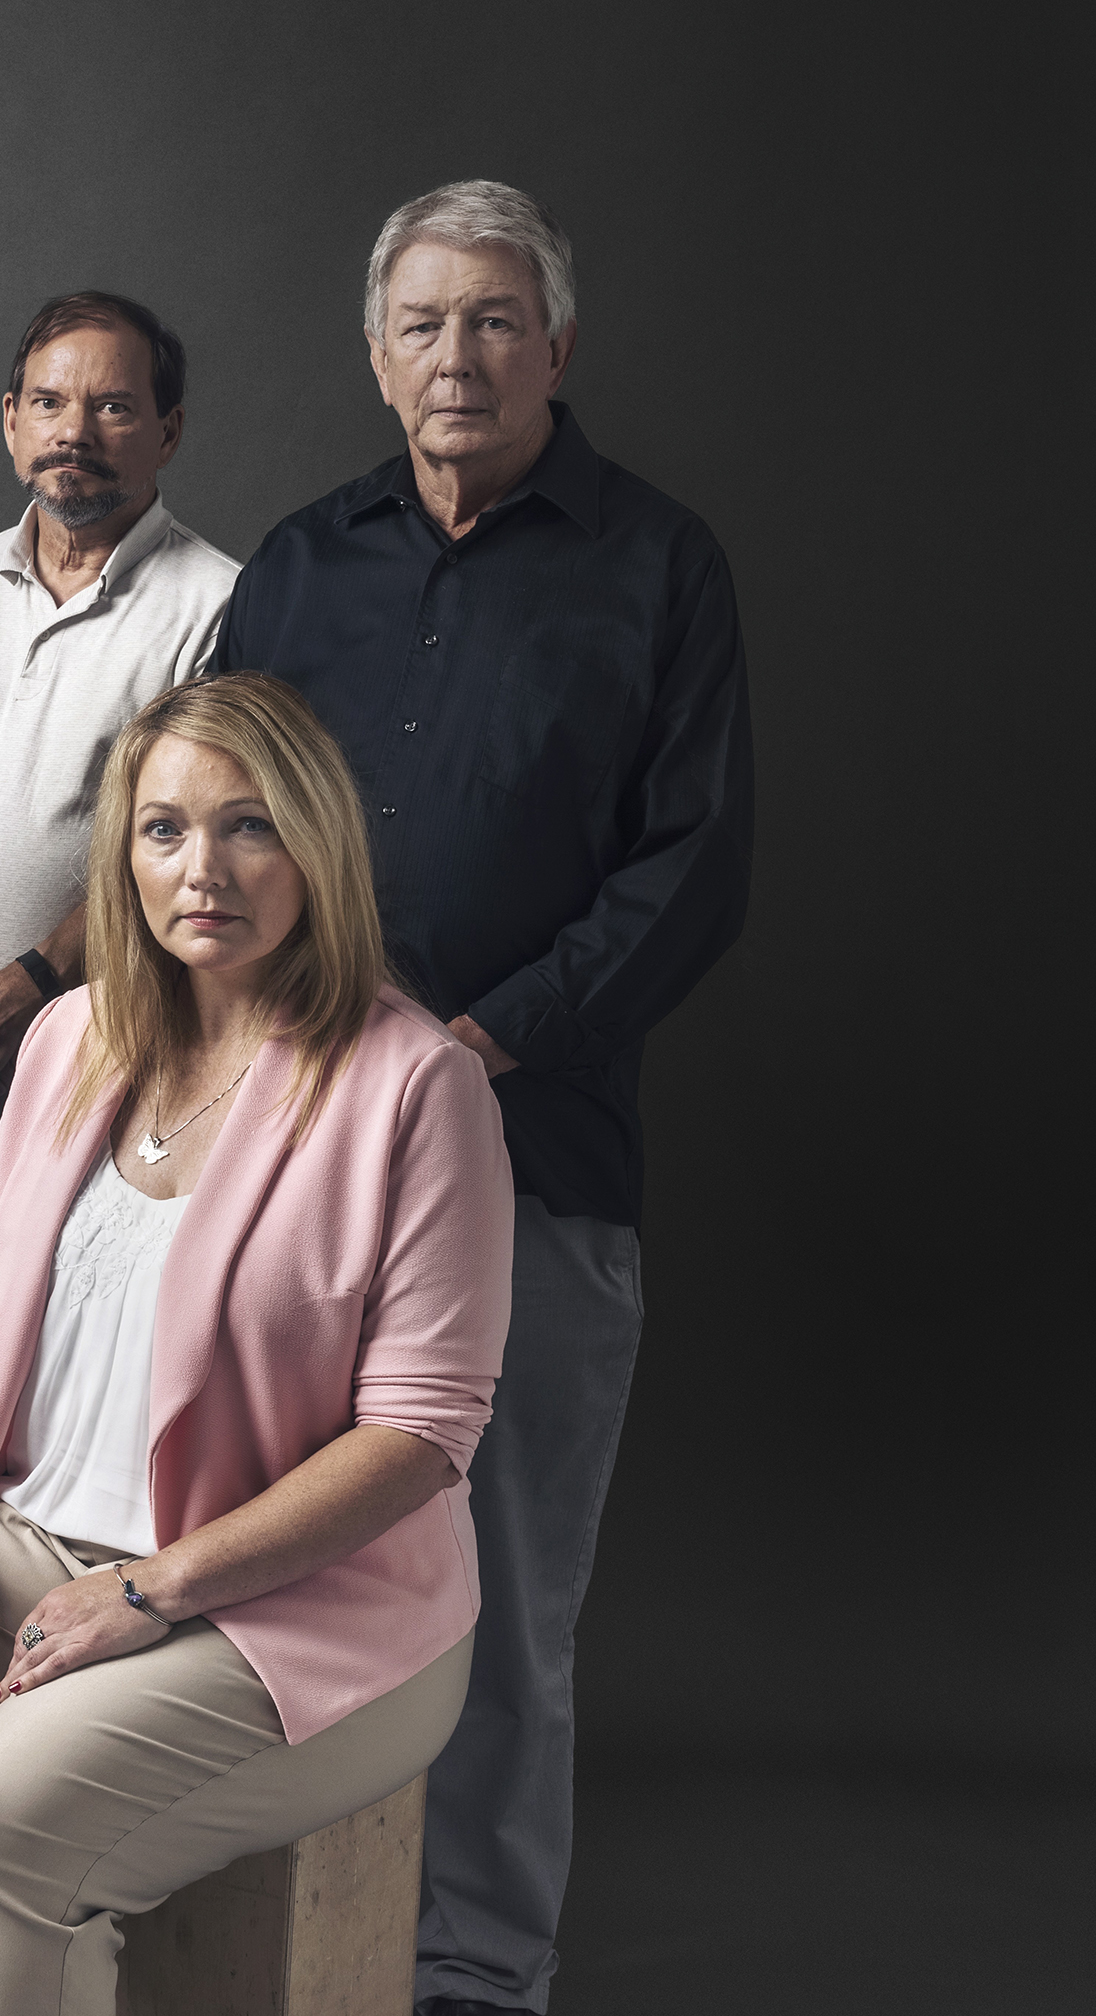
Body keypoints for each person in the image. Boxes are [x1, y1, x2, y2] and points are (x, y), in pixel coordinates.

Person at [0, 672, 514, 2016]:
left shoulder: (414, 1084)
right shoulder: (70, 1036)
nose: (201, 867)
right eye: (163, 828)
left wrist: (155, 1587)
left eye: (249, 825)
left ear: (317, 845)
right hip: (30, 1537)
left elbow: (421, 1433)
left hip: (296, 1600)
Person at [215, 180, 755, 2015]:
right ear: (379, 358)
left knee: (507, 1599)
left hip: (534, 1156)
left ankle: (470, 1965)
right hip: (288, 1166)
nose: (461, 354)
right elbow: (214, 826)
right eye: (426, 322)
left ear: (561, 346)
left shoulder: (661, 563)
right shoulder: (296, 563)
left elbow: (692, 866)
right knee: (271, 1571)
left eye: (497, 318)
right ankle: (283, 1925)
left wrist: (474, 1045)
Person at [0, 291, 238, 1447]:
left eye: (114, 404)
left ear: (167, 431)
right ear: (11, 422)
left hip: (113, 1054)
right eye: (49, 401)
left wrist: (25, 982)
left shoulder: (217, 601)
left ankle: (34, 1610)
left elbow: (182, 842)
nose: (74, 428)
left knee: (70, 1363)